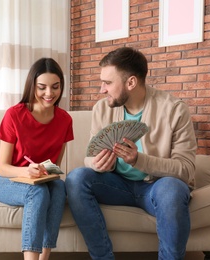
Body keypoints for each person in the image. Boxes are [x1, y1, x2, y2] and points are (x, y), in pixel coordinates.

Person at [65, 47, 197, 260]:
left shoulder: (175, 109)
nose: (102, 89)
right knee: (76, 178)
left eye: (107, 83)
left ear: (131, 82)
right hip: (116, 184)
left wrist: (139, 160)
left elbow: (186, 169)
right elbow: (89, 156)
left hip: (157, 186)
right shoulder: (102, 109)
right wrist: (97, 164)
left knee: (172, 189)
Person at [0, 57, 74, 260]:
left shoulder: (65, 120)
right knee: (37, 193)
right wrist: (26, 171)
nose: (49, 93)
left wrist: (44, 172)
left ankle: (45, 257)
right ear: (32, 85)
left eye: (55, 87)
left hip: (37, 180)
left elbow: (55, 167)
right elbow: (3, 168)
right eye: (42, 87)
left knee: (59, 187)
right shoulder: (14, 115)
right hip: (2, 180)